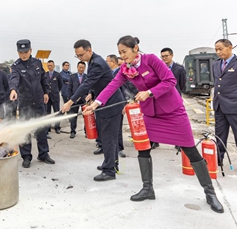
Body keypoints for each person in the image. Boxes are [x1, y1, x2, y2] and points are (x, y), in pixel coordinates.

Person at [84, 35, 224, 213]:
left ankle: (210, 193)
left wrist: (149, 92)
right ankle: (147, 188)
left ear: (135, 48)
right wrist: (96, 104)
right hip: (150, 113)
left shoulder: (151, 60)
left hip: (172, 111)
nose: (122, 55)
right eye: (119, 53)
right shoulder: (125, 69)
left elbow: (170, 81)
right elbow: (112, 85)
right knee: (143, 148)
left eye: (124, 51)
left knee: (189, 149)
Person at [61, 39, 125, 181]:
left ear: (89, 50)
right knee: (107, 136)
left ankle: (109, 171)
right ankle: (112, 164)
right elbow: (96, 83)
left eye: (81, 55)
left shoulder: (97, 63)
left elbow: (87, 83)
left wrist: (71, 101)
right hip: (103, 102)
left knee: (108, 138)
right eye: (77, 56)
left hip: (111, 104)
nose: (80, 58)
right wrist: (92, 95)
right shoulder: (93, 61)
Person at [9, 39, 55, 168]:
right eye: (21, 52)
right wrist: (13, 89)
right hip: (25, 103)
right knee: (25, 130)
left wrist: (46, 92)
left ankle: (43, 154)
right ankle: (26, 156)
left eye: (25, 52)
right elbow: (14, 79)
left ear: (31, 51)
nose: (23, 54)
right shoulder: (16, 66)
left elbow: (43, 79)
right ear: (18, 52)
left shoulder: (37, 63)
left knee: (41, 128)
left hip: (39, 101)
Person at [107, 54, 138, 158]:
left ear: (112, 62)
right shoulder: (109, 73)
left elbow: (130, 87)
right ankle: (110, 147)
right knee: (111, 127)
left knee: (117, 126)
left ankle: (119, 148)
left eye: (107, 61)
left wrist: (129, 101)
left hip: (119, 102)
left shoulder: (121, 72)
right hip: (109, 103)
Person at [212, 39, 237, 167]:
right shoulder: (216, 64)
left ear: (230, 47)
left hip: (234, 106)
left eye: (220, 49)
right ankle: (218, 160)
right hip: (219, 105)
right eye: (216, 49)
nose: (218, 52)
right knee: (220, 135)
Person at [160, 47, 186, 151]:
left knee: (177, 121)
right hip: (162, 98)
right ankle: (155, 141)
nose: (164, 58)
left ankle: (179, 142)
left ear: (172, 55)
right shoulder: (159, 68)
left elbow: (182, 84)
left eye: (166, 56)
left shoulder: (179, 69)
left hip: (175, 99)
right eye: (162, 56)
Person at [68, 61, 87, 139]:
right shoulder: (72, 77)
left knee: (86, 116)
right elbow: (69, 88)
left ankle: (87, 132)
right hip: (74, 99)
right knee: (73, 116)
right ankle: (72, 131)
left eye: (83, 68)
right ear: (77, 67)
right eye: (80, 67)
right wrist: (70, 98)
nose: (81, 69)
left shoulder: (87, 77)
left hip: (84, 99)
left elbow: (89, 88)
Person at [46, 60, 63, 136]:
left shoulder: (57, 75)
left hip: (55, 96)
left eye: (51, 65)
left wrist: (56, 91)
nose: (50, 67)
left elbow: (61, 85)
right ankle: (47, 127)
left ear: (54, 66)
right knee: (47, 113)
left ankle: (57, 127)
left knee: (57, 112)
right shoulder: (45, 75)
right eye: (48, 65)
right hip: (47, 97)